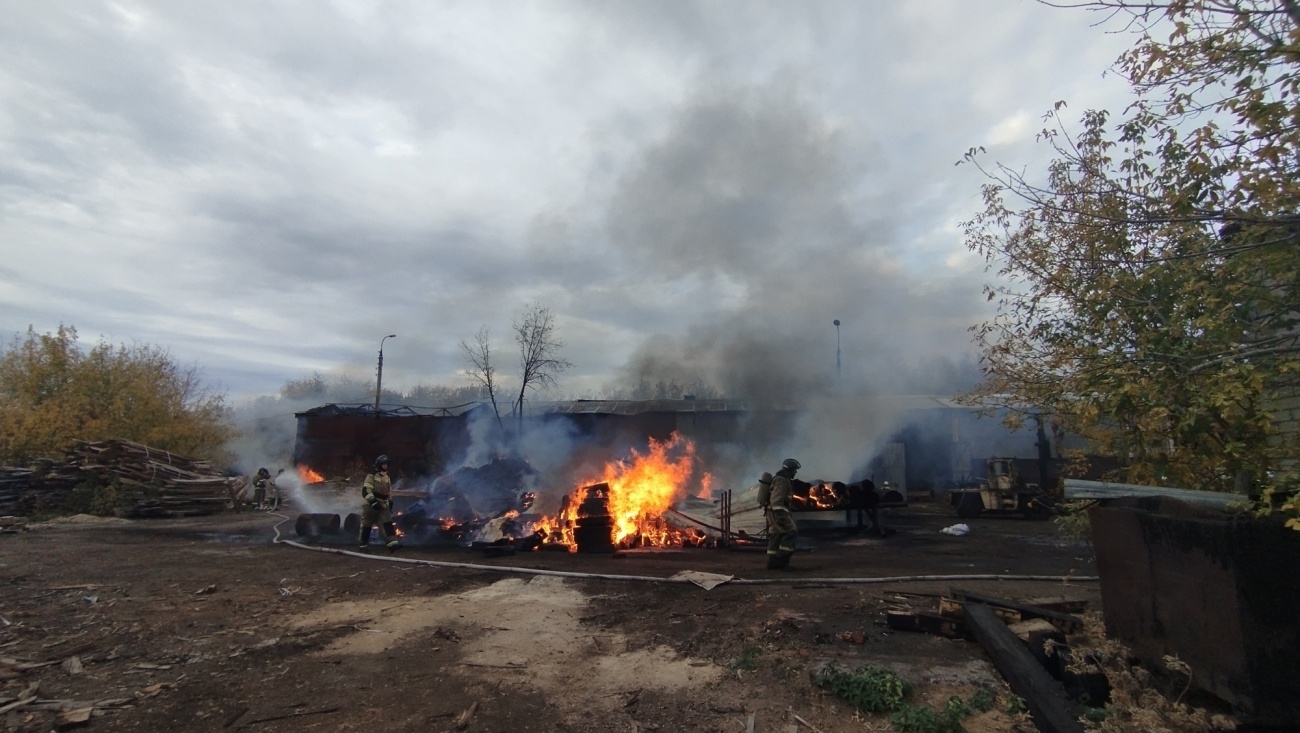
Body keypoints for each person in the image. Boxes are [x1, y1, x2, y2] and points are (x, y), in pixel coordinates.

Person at [358, 454, 400, 552]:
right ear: (379, 464)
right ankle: (363, 546)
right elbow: (366, 490)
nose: (385, 466)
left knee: (387, 524)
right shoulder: (371, 475)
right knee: (366, 525)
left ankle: (392, 544)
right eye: (383, 464)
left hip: (383, 504)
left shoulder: (387, 477)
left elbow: (388, 491)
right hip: (370, 505)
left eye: (386, 464)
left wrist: (390, 502)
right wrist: (373, 502)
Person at [765, 458, 800, 569]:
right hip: (778, 512)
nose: (795, 472)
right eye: (794, 470)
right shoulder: (782, 480)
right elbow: (776, 500)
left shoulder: (782, 479)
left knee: (776, 535)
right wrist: (780, 515)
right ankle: (783, 562)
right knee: (791, 532)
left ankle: (772, 562)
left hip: (773, 512)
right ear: (790, 470)